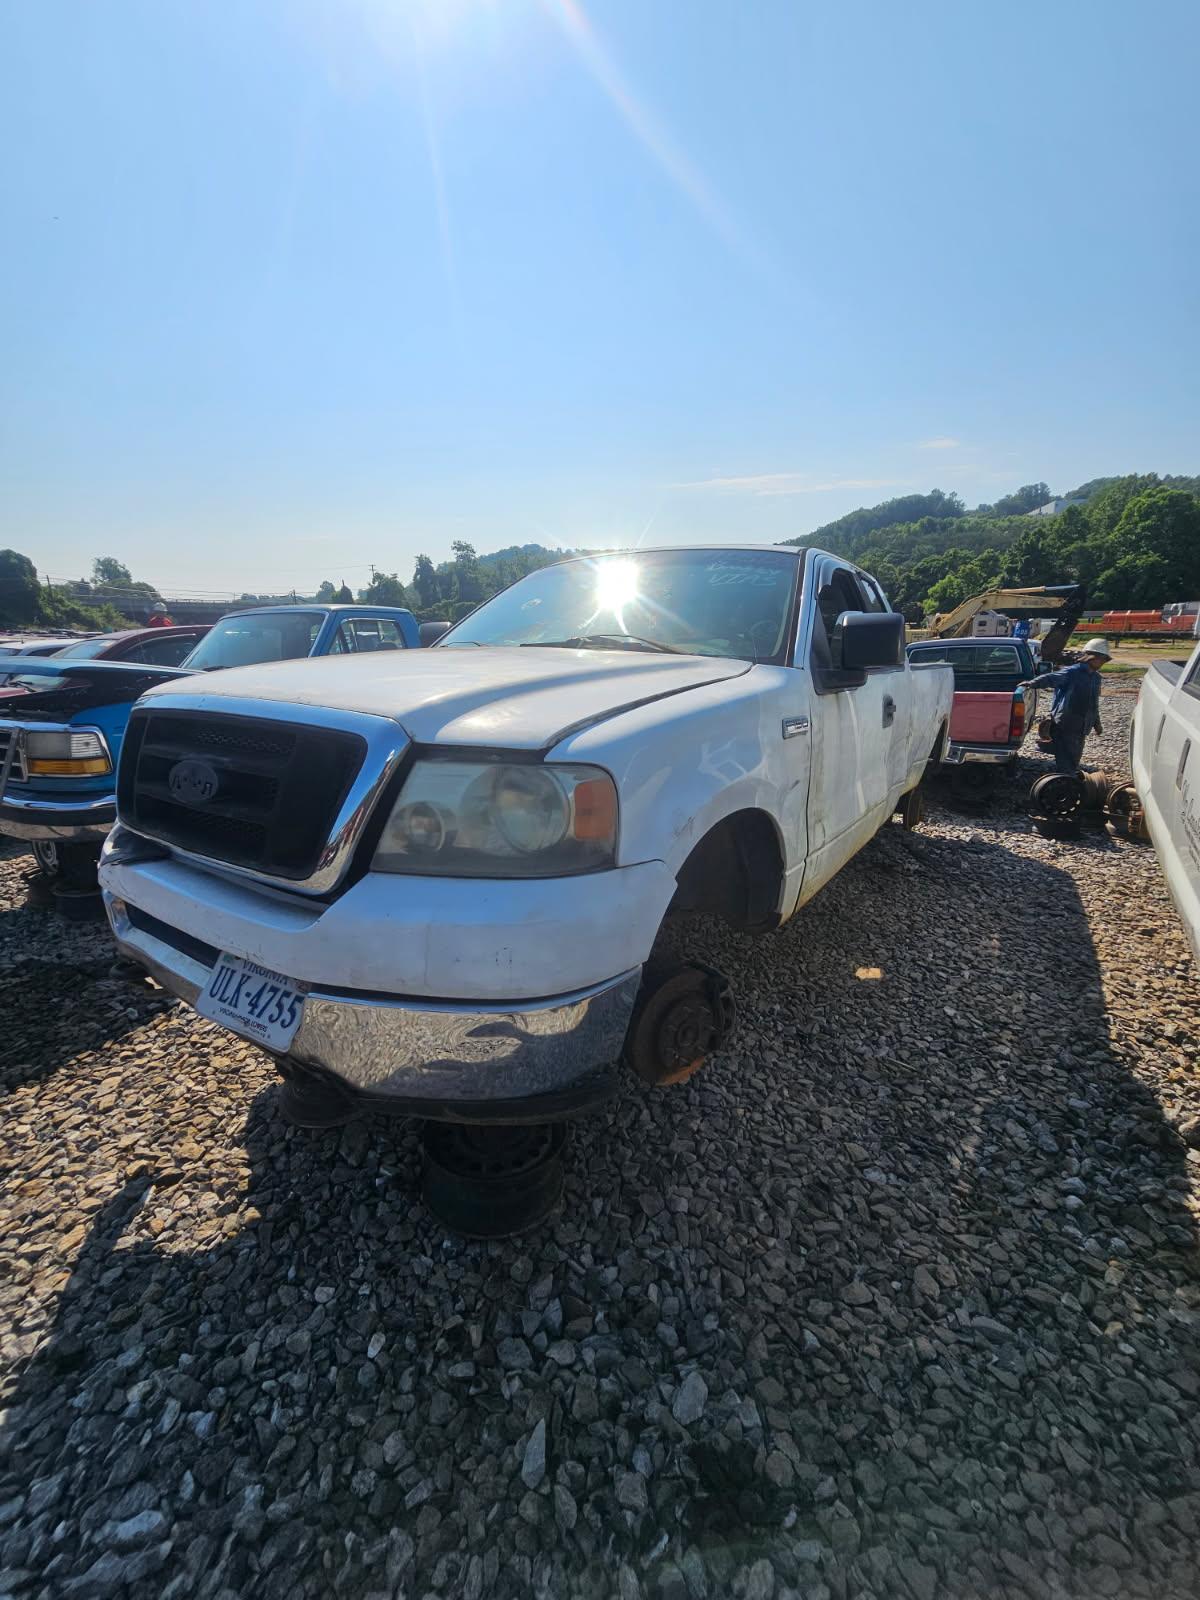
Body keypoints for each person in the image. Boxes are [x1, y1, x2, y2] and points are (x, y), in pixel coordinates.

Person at [1021, 638, 1110, 773]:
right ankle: (1065, 778)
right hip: (1066, 723)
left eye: (1104, 660)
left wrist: (1096, 723)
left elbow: (1093, 704)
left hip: (1082, 725)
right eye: (1101, 660)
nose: (1102, 663)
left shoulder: (1096, 678)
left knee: (1075, 755)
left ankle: (1069, 775)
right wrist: (1032, 683)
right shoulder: (1072, 672)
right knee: (1065, 756)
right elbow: (1051, 678)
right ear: (1091, 658)